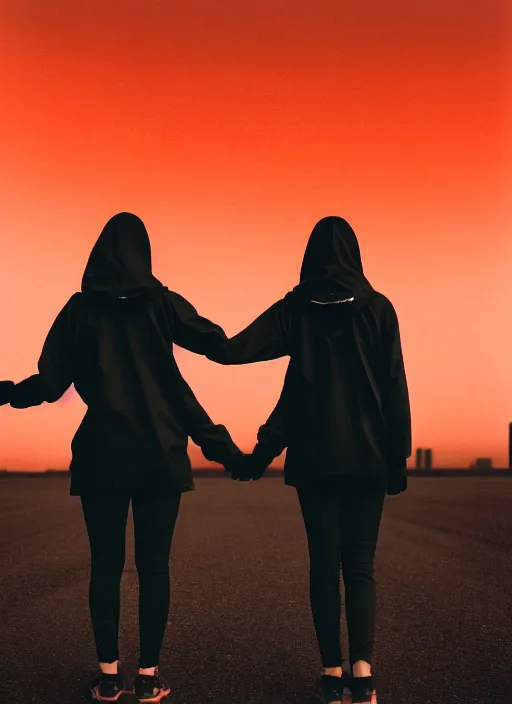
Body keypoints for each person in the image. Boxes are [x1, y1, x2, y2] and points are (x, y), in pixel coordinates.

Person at [0, 212, 245, 703]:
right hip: (159, 455)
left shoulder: (80, 309)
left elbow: (50, 385)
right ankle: (149, 677)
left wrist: (7, 393)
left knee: (105, 566)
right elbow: (213, 343)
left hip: (102, 456)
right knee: (155, 567)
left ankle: (109, 676)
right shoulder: (161, 303)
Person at [203, 216, 412, 704]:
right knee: (359, 566)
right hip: (367, 461)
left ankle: (331, 674)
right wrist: (396, 458)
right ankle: (363, 676)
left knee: (323, 566)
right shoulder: (379, 309)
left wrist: (182, 327)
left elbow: (240, 353)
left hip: (316, 460)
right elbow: (394, 387)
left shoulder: (296, 310)